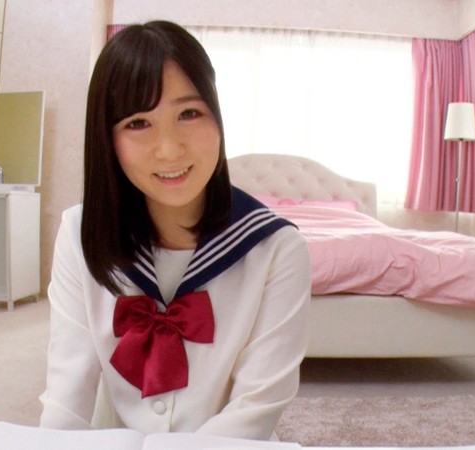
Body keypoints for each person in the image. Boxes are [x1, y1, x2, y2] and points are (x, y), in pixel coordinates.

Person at [39, 20, 311, 441]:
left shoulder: (277, 248)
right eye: (138, 123)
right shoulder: (78, 235)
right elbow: (66, 400)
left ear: (217, 117)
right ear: (107, 138)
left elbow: (256, 408)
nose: (169, 149)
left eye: (189, 113)